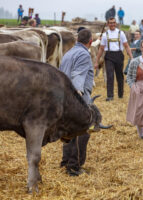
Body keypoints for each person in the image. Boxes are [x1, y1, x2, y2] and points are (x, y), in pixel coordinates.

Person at [59, 28, 94, 176]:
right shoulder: (84, 55)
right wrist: (79, 100)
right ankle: (74, 166)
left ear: (77, 39)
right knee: (82, 132)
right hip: (77, 99)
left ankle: (65, 161)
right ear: (91, 42)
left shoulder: (68, 53)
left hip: (64, 97)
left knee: (69, 131)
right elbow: (77, 76)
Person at [95, 17, 133, 101]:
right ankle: (110, 96)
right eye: (110, 23)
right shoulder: (105, 35)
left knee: (120, 76)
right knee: (110, 75)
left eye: (113, 22)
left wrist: (131, 57)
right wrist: (96, 61)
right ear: (108, 24)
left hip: (119, 54)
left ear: (116, 23)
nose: (112, 24)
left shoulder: (121, 33)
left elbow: (126, 46)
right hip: (109, 55)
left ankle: (120, 94)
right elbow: (101, 49)